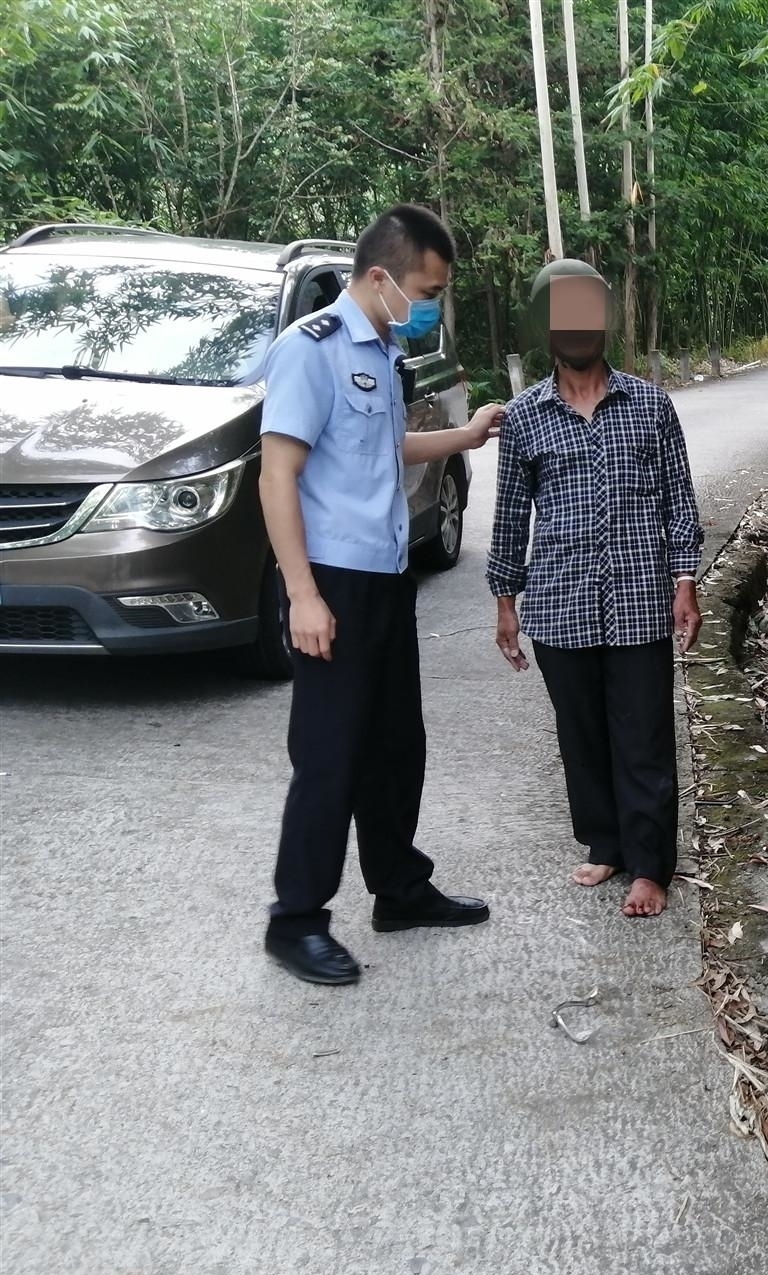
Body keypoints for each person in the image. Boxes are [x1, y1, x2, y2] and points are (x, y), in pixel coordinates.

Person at [258, 203, 504, 985]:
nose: (432, 301)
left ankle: (398, 887)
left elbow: (382, 445)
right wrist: (301, 593)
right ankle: (296, 920)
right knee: (330, 754)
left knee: (397, 745)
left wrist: (464, 437)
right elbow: (278, 473)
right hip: (332, 580)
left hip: (388, 577)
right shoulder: (311, 351)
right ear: (380, 277)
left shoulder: (386, 349)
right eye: (427, 287)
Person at [487, 259, 704, 918]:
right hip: (559, 601)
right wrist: (505, 600)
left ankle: (649, 864)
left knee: (643, 737)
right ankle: (605, 841)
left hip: (640, 600)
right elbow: (508, 513)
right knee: (581, 734)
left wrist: (685, 582)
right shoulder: (526, 418)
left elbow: (677, 499)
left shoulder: (651, 404)